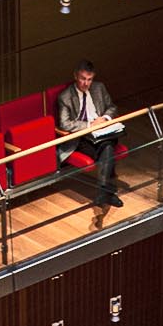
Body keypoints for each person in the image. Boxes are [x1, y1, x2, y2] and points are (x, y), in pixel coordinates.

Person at [56, 60, 122, 226]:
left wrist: (105, 119)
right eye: (83, 79)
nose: (86, 83)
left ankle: (103, 192)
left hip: (103, 131)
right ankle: (105, 192)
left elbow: (112, 108)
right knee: (107, 148)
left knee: (106, 144)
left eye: (89, 79)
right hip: (83, 137)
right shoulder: (65, 97)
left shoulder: (99, 88)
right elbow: (65, 124)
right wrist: (89, 125)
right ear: (75, 76)